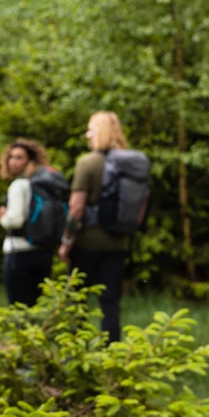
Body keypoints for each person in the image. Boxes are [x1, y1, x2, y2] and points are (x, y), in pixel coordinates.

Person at [58, 111, 132, 342]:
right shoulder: (129, 164)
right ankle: (112, 353)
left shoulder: (87, 163)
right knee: (110, 301)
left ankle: (76, 353)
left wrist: (66, 242)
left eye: (90, 128)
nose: (86, 134)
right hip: (119, 242)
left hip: (87, 243)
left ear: (99, 132)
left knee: (76, 299)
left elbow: (76, 208)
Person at [0, 139, 54, 307]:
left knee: (19, 308)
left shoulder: (18, 186)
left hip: (18, 253)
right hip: (43, 252)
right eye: (11, 157)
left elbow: (15, 220)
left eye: (19, 157)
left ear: (30, 161)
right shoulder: (44, 185)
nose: (13, 162)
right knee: (37, 307)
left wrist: (2, 217)